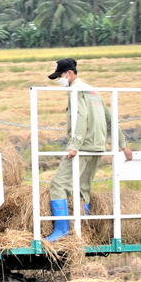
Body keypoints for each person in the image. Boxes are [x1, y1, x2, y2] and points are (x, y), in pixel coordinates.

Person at [45, 58, 133, 242]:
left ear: (69, 73)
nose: (59, 80)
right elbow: (110, 119)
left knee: (58, 185)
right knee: (83, 188)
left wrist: (74, 146)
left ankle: (62, 231)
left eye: (59, 76)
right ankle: (83, 232)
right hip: (98, 148)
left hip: (83, 148)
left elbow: (80, 116)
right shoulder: (93, 91)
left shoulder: (75, 90)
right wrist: (123, 145)